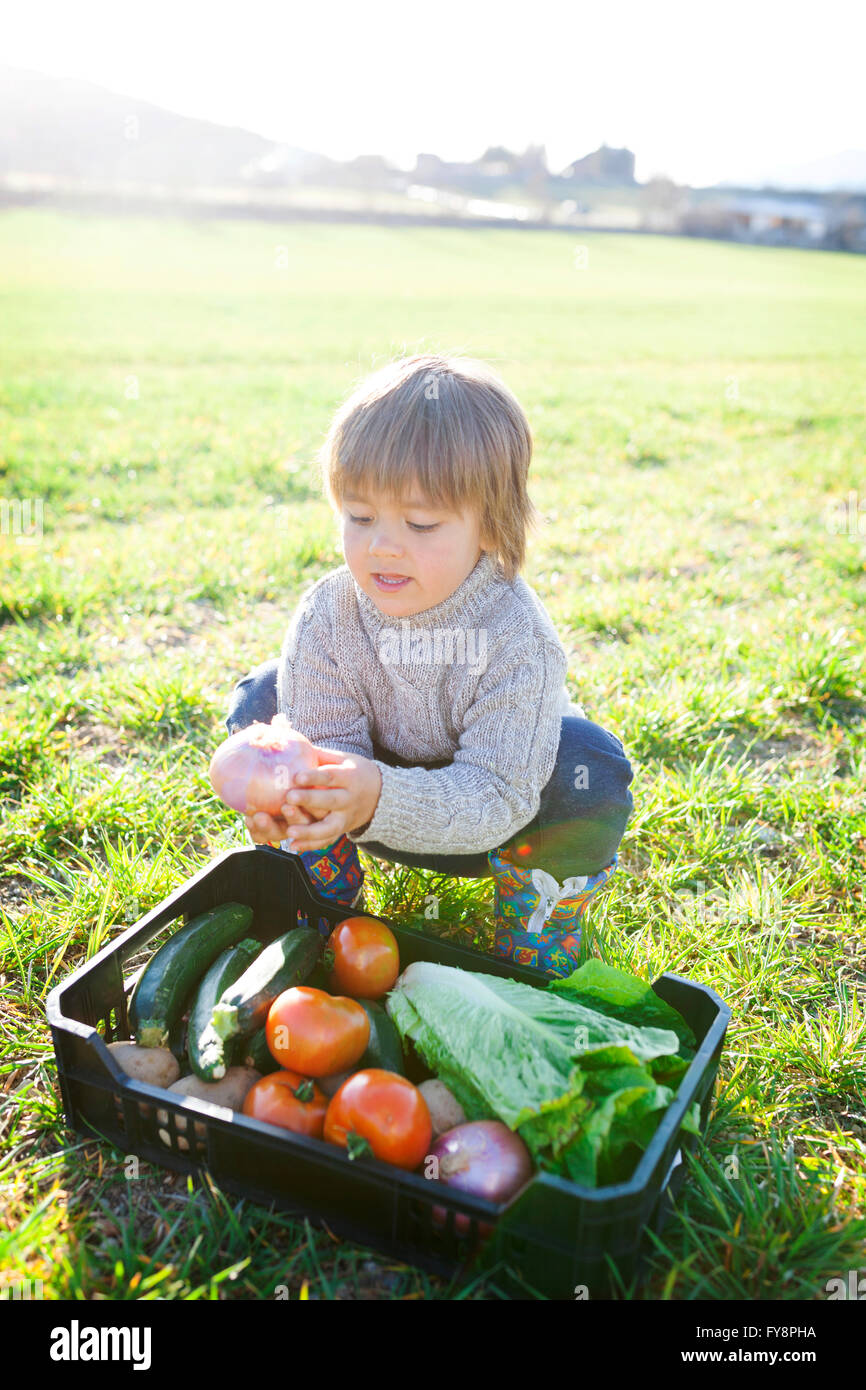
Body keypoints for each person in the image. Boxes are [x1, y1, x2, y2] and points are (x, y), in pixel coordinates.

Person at [224, 353, 634, 977]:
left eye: (420, 523)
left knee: (588, 764)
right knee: (264, 700)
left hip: (497, 825)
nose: (382, 543)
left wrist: (376, 794)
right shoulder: (329, 615)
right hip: (365, 808)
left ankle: (535, 927)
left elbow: (499, 793)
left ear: (492, 527)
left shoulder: (516, 636)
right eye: (360, 517)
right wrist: (312, 791)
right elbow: (326, 745)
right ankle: (322, 890)